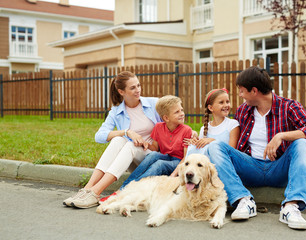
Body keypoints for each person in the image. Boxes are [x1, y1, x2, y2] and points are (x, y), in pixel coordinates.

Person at [206, 66, 306, 230]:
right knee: (216, 146)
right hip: (251, 167)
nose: (240, 95)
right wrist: (205, 138)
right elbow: (228, 136)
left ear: (254, 91)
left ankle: (291, 206)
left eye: (241, 91)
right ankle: (243, 200)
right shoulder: (243, 110)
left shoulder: (288, 106)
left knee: (302, 142)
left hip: (278, 169)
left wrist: (281, 136)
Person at [63, 71, 162, 209]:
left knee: (129, 145)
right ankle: (87, 190)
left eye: (138, 85)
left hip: (153, 157)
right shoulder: (116, 111)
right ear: (121, 91)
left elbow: (173, 126)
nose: (138, 90)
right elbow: (99, 136)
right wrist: (126, 132)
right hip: (133, 159)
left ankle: (95, 192)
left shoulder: (154, 104)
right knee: (118, 140)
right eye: (132, 87)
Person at [101, 95, 192, 199]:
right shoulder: (158, 127)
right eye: (177, 112)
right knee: (153, 155)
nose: (182, 114)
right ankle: (123, 188)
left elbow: (186, 158)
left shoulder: (187, 130)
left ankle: (128, 190)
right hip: (166, 156)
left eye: (181, 110)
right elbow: (155, 148)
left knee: (160, 164)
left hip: (178, 162)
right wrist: (144, 143)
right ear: (166, 118)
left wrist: (173, 175)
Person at [185, 88, 239, 156]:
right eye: (221, 102)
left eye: (227, 102)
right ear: (210, 108)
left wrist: (213, 141)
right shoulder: (204, 129)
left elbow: (232, 152)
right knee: (192, 148)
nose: (226, 105)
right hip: (208, 163)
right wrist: (195, 143)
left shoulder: (233, 124)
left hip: (224, 163)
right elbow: (202, 152)